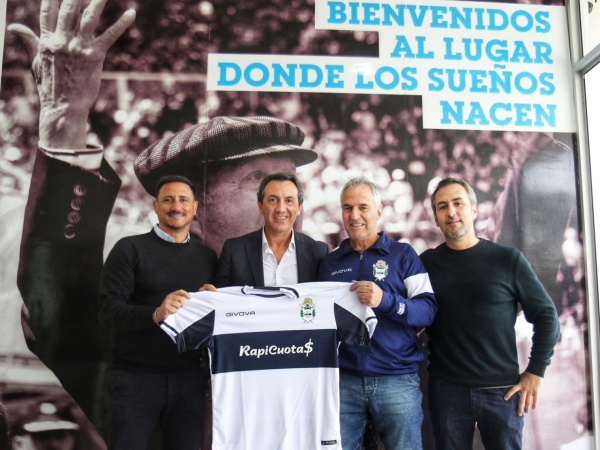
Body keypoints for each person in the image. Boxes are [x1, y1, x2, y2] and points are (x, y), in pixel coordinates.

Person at [9, 0, 317, 434]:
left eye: (292, 184)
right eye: (258, 181)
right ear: (191, 210)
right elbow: (56, 305)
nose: (284, 200)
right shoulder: (149, 315)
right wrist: (65, 124)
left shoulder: (327, 293)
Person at [420, 176, 560, 450]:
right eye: (442, 206)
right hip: (447, 392)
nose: (451, 212)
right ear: (435, 218)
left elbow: (546, 316)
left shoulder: (508, 259)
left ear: (474, 210)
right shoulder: (425, 264)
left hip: (502, 392)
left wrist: (536, 370)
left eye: (458, 203)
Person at [97, 175, 217, 449]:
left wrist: (212, 301)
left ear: (195, 208)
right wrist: (155, 314)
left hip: (189, 381)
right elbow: (107, 311)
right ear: (155, 206)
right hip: (135, 379)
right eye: (168, 200)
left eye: (183, 200)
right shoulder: (129, 249)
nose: (176, 206)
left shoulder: (207, 257)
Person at [317, 176, 437, 450]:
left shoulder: (403, 255)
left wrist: (385, 301)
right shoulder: (330, 263)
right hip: (343, 381)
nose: (354, 215)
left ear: (379, 211)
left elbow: (428, 310)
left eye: (363, 207)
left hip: (397, 380)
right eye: (347, 208)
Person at [211, 172, 329, 288]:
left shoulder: (319, 252)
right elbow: (218, 296)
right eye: (273, 200)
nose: (281, 209)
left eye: (289, 201)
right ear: (261, 206)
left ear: (299, 208)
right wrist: (207, 293)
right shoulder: (234, 250)